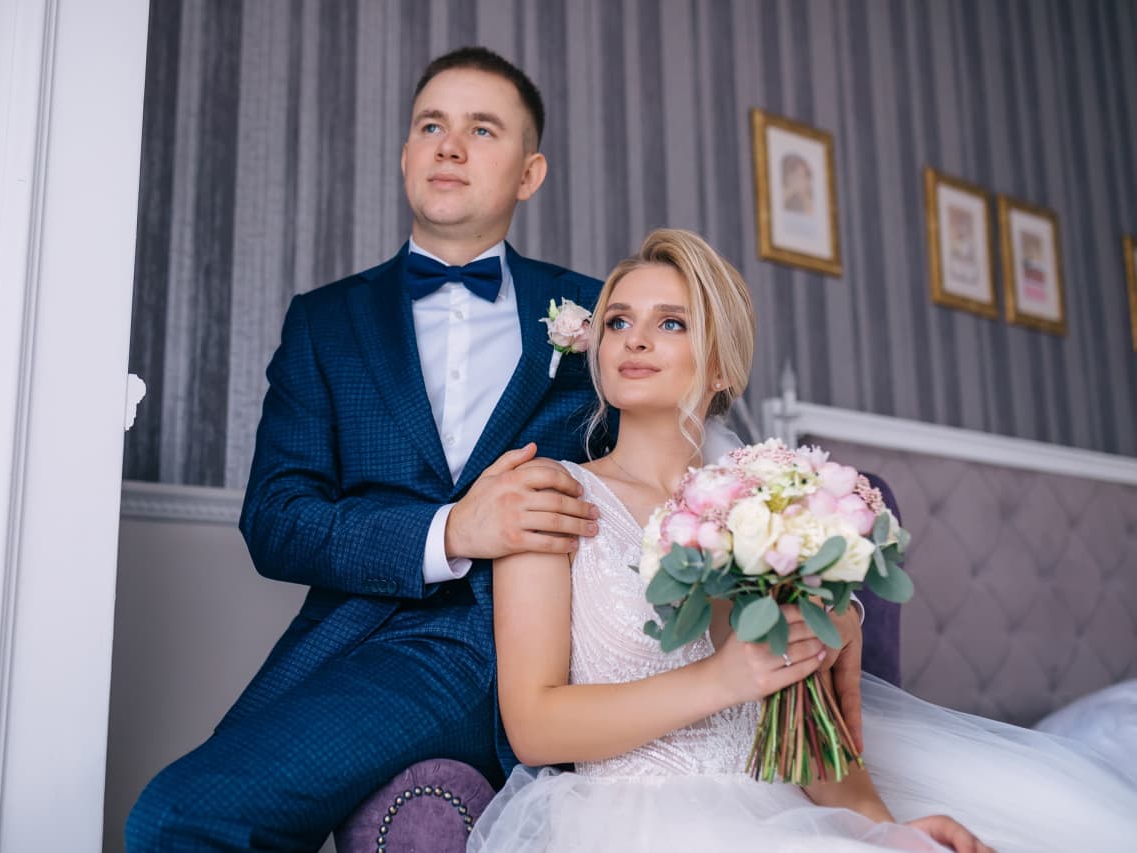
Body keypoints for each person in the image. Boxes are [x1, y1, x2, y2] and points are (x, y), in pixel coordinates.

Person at [126, 47, 863, 850]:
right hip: (357, 636)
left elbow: (696, 471)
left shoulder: (604, 311)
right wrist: (452, 529)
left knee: (177, 817)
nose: (449, 146)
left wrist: (822, 593)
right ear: (406, 154)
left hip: (513, 644)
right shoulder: (324, 321)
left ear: (529, 173)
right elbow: (275, 518)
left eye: (482, 129)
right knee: (186, 812)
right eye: (430, 126)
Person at [471, 228, 1137, 852]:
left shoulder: (774, 506)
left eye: (671, 322)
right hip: (632, 820)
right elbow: (534, 726)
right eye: (618, 321)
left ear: (722, 366)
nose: (635, 340)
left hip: (784, 807)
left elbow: (802, 724)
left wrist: (881, 827)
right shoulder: (549, 496)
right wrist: (719, 679)